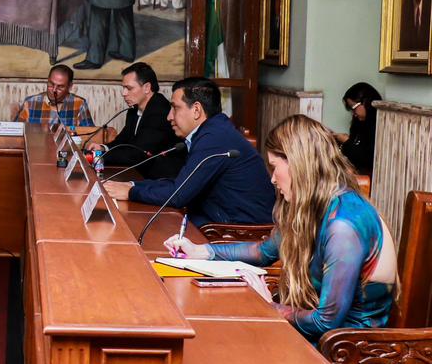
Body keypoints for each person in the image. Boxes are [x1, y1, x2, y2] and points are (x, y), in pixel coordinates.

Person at [166, 115, 397, 343]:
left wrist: (269, 307)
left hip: (345, 351)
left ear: (298, 164)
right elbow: (263, 252)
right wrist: (202, 251)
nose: (273, 180)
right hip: (316, 336)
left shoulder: (343, 226)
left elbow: (325, 322)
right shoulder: (313, 206)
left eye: (275, 167)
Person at [104, 77, 276, 227]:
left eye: (175, 108)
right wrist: (133, 186)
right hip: (220, 216)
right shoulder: (212, 130)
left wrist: (130, 192)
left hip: (238, 228)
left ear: (196, 110)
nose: (169, 117)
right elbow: (181, 183)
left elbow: (178, 195)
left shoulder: (213, 138)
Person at [95, 62, 184, 179]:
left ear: (147, 87)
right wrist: (102, 148)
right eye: (123, 88)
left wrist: (99, 156)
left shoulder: (160, 111)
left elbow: (138, 154)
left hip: (159, 178)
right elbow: (122, 141)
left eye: (129, 88)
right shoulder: (133, 110)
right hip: (138, 173)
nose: (123, 93)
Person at [14, 64, 94, 127]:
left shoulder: (79, 104)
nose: (54, 90)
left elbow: (90, 134)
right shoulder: (30, 103)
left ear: (69, 87)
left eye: (60, 87)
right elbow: (15, 133)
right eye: (51, 84)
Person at [335, 82, 381, 174]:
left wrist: (347, 142)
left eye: (354, 108)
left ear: (365, 102)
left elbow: (368, 160)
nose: (354, 113)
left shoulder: (379, 126)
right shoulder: (358, 123)